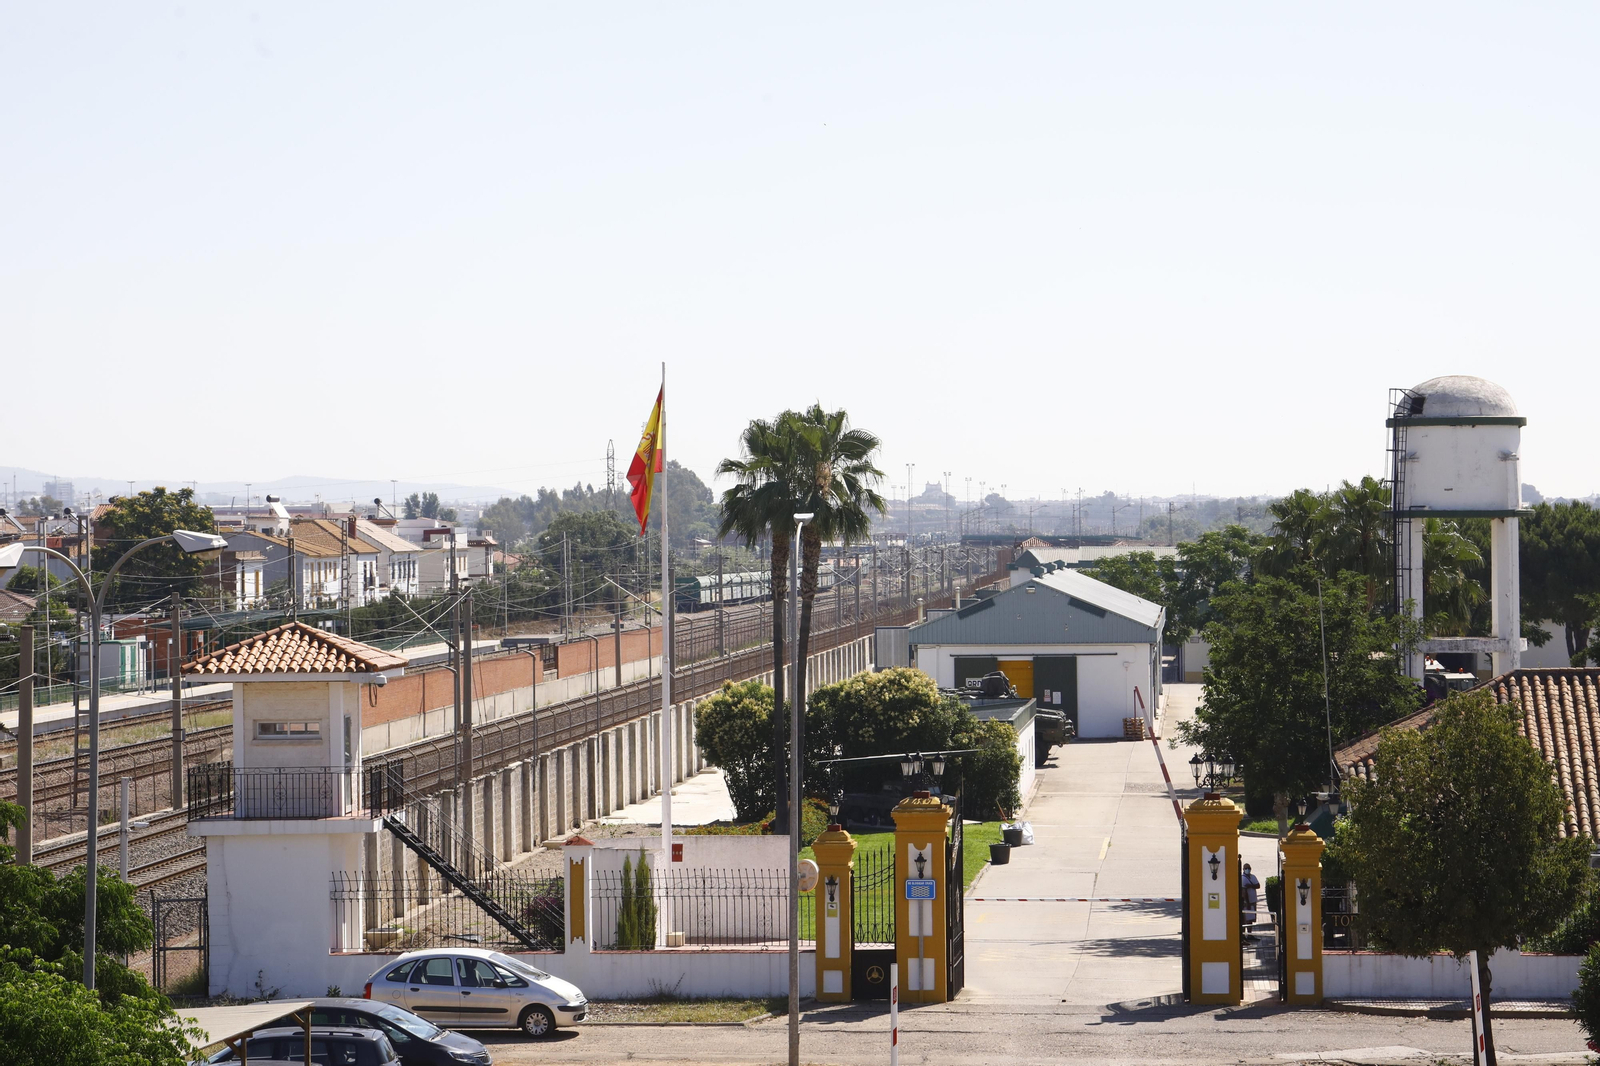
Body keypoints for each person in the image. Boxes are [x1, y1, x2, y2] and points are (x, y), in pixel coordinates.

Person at [1241, 862, 1262, 942]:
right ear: (1243, 869)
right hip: (1246, 903)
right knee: (1245, 919)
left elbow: (1258, 885)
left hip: (1253, 901)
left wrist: (1251, 886)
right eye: (1246, 868)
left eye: (1249, 868)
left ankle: (1249, 934)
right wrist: (1247, 902)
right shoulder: (1242, 878)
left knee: (1251, 919)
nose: (1248, 869)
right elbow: (1244, 891)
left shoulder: (1253, 877)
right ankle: (1243, 936)